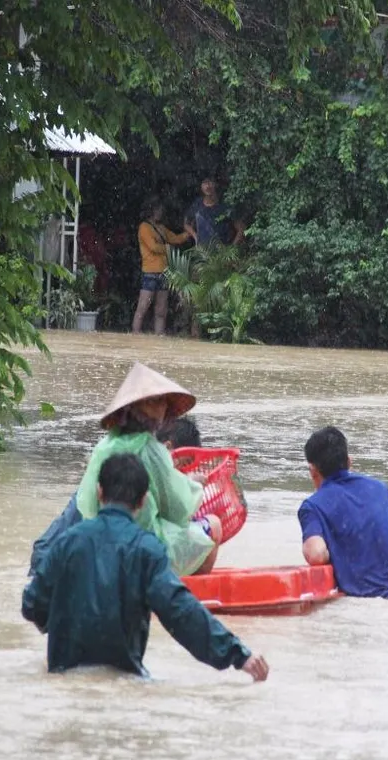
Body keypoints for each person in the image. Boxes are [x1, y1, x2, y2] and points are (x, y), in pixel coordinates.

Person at [22, 453, 269, 681]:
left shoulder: (67, 542)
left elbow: (32, 605)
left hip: (63, 677)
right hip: (124, 679)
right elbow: (181, 612)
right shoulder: (147, 550)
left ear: (99, 492)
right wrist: (238, 654)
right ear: (142, 501)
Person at [75, 361, 223, 576]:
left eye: (162, 401)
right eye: (154, 401)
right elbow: (178, 509)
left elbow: (86, 506)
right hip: (144, 546)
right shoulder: (151, 449)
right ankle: (186, 598)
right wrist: (194, 485)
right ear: (134, 407)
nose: (162, 407)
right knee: (214, 526)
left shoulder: (104, 446)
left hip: (102, 542)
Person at [298, 426, 388, 602]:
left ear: (312, 470)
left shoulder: (312, 506)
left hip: (368, 603)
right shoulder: (380, 489)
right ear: (349, 462)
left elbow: (316, 555)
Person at [133, 197, 191, 336]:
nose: (160, 213)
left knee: (161, 309)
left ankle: (160, 336)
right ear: (151, 211)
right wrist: (168, 249)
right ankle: (135, 334)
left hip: (164, 272)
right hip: (150, 273)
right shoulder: (144, 227)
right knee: (143, 306)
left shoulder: (162, 228)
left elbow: (175, 239)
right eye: (158, 210)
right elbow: (153, 247)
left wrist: (189, 233)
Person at [184, 175, 244, 248]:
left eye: (210, 182)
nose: (208, 186)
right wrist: (196, 237)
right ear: (201, 187)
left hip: (224, 250)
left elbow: (241, 228)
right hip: (205, 252)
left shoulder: (225, 205)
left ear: (215, 184)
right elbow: (186, 224)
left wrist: (231, 250)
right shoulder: (197, 204)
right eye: (205, 183)